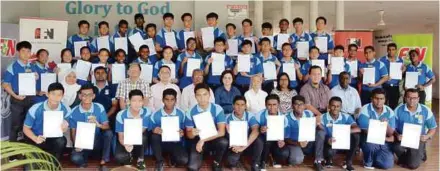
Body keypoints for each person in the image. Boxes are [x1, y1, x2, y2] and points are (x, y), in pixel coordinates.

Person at [185, 83, 228, 171]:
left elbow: (221, 132)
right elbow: (189, 135)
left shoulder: (217, 108)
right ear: (195, 97)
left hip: (214, 139)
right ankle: (202, 154)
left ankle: (217, 162)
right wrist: (192, 133)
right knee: (192, 168)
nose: (202, 98)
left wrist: (203, 140)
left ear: (209, 95)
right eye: (199, 95)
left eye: (205, 94)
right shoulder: (190, 111)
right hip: (198, 140)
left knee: (223, 142)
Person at [69, 84, 112, 169]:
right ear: (80, 96)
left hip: (96, 141)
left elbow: (107, 127)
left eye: (89, 95)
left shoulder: (99, 107)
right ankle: (84, 160)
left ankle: (104, 159)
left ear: (93, 96)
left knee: (109, 133)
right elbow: (73, 132)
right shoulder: (74, 111)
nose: (87, 97)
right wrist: (76, 145)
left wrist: (98, 124)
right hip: (82, 143)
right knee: (75, 158)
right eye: (84, 95)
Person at [23, 83, 70, 160]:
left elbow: (64, 129)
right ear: (47, 94)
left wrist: (65, 127)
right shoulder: (35, 108)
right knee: (31, 167)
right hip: (35, 138)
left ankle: (54, 161)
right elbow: (26, 128)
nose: (56, 97)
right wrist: (35, 138)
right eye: (53, 94)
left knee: (61, 141)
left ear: (62, 96)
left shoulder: (66, 109)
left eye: (59, 95)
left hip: (52, 138)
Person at [2, 41, 38, 144]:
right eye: (23, 51)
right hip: (17, 99)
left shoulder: (32, 66)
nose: (26, 54)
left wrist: (36, 77)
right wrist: (15, 95)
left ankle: (28, 151)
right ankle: (13, 154)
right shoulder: (13, 66)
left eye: (28, 51)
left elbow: (36, 78)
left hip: (30, 99)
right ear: (18, 52)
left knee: (29, 126)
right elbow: (5, 84)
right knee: (15, 126)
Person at [392, 88, 437, 169]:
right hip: (403, 139)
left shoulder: (425, 110)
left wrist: (426, 136)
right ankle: (409, 157)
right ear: (405, 98)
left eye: (415, 98)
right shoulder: (398, 110)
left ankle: (420, 154)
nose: (412, 100)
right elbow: (392, 127)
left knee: (413, 165)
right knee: (395, 147)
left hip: (418, 140)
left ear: (418, 99)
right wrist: (397, 134)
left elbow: (433, 128)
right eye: (409, 97)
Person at [149, 89, 188, 171]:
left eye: (172, 99)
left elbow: (185, 129)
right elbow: (150, 128)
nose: (169, 102)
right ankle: (159, 160)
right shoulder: (156, 114)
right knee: (154, 136)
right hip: (160, 144)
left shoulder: (181, 114)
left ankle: (171, 156)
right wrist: (153, 129)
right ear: (163, 100)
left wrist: (182, 132)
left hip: (175, 142)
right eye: (167, 99)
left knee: (183, 160)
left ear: (176, 101)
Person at [283, 95, 325, 171]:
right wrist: (298, 143)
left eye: (301, 104)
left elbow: (321, 129)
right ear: (292, 106)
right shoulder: (286, 118)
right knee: (297, 160)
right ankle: (293, 156)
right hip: (295, 143)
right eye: (296, 104)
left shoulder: (309, 113)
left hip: (308, 142)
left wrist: (318, 124)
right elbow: (286, 138)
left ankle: (318, 161)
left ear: (304, 106)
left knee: (321, 132)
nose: (299, 106)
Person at [357, 88, 395, 169]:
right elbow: (366, 131)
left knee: (387, 165)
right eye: (376, 98)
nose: (379, 101)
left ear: (385, 99)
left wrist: (386, 124)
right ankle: (368, 160)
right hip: (368, 139)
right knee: (370, 146)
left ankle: (374, 158)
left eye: (381, 99)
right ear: (371, 99)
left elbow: (391, 133)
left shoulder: (390, 111)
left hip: (383, 142)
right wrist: (386, 138)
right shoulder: (365, 109)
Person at [319, 97, 360, 171]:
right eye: (333, 106)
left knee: (356, 136)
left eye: (338, 106)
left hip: (343, 143)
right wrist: (327, 139)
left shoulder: (346, 116)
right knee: (329, 152)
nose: (335, 108)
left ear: (341, 107)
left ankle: (348, 162)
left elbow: (357, 129)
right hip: (329, 143)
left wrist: (343, 132)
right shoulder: (322, 117)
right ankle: (328, 159)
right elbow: (320, 133)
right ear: (329, 106)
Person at [114, 89, 151, 170]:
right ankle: (129, 156)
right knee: (119, 157)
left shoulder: (147, 112)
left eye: (140, 101)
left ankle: (140, 159)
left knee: (143, 137)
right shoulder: (120, 115)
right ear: (129, 101)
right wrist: (125, 144)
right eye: (134, 101)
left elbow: (142, 130)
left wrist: (137, 120)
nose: (137, 104)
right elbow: (120, 137)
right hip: (126, 138)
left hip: (139, 137)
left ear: (143, 101)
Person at [225, 96, 262, 171]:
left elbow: (256, 130)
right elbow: (226, 134)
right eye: (237, 104)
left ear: (245, 106)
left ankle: (255, 163)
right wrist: (235, 145)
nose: (240, 107)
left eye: (242, 105)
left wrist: (243, 147)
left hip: (247, 144)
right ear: (233, 106)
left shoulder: (250, 115)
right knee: (231, 162)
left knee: (259, 141)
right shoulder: (227, 117)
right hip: (234, 145)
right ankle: (237, 159)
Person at [255, 94, 288, 169]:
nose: (272, 107)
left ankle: (274, 159)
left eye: (274, 104)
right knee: (263, 140)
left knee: (284, 153)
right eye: (269, 105)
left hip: (277, 142)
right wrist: (260, 129)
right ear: (265, 105)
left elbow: (285, 134)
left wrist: (283, 141)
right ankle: (263, 161)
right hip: (264, 141)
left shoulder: (284, 118)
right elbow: (253, 130)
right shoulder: (259, 115)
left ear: (278, 105)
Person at [379, 43, 404, 109]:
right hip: (384, 86)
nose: (391, 51)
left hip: (395, 87)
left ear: (396, 50)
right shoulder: (381, 60)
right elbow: (378, 72)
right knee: (382, 105)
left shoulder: (400, 60)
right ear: (387, 50)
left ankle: (392, 118)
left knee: (394, 105)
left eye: (393, 49)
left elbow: (401, 73)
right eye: (389, 50)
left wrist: (403, 70)